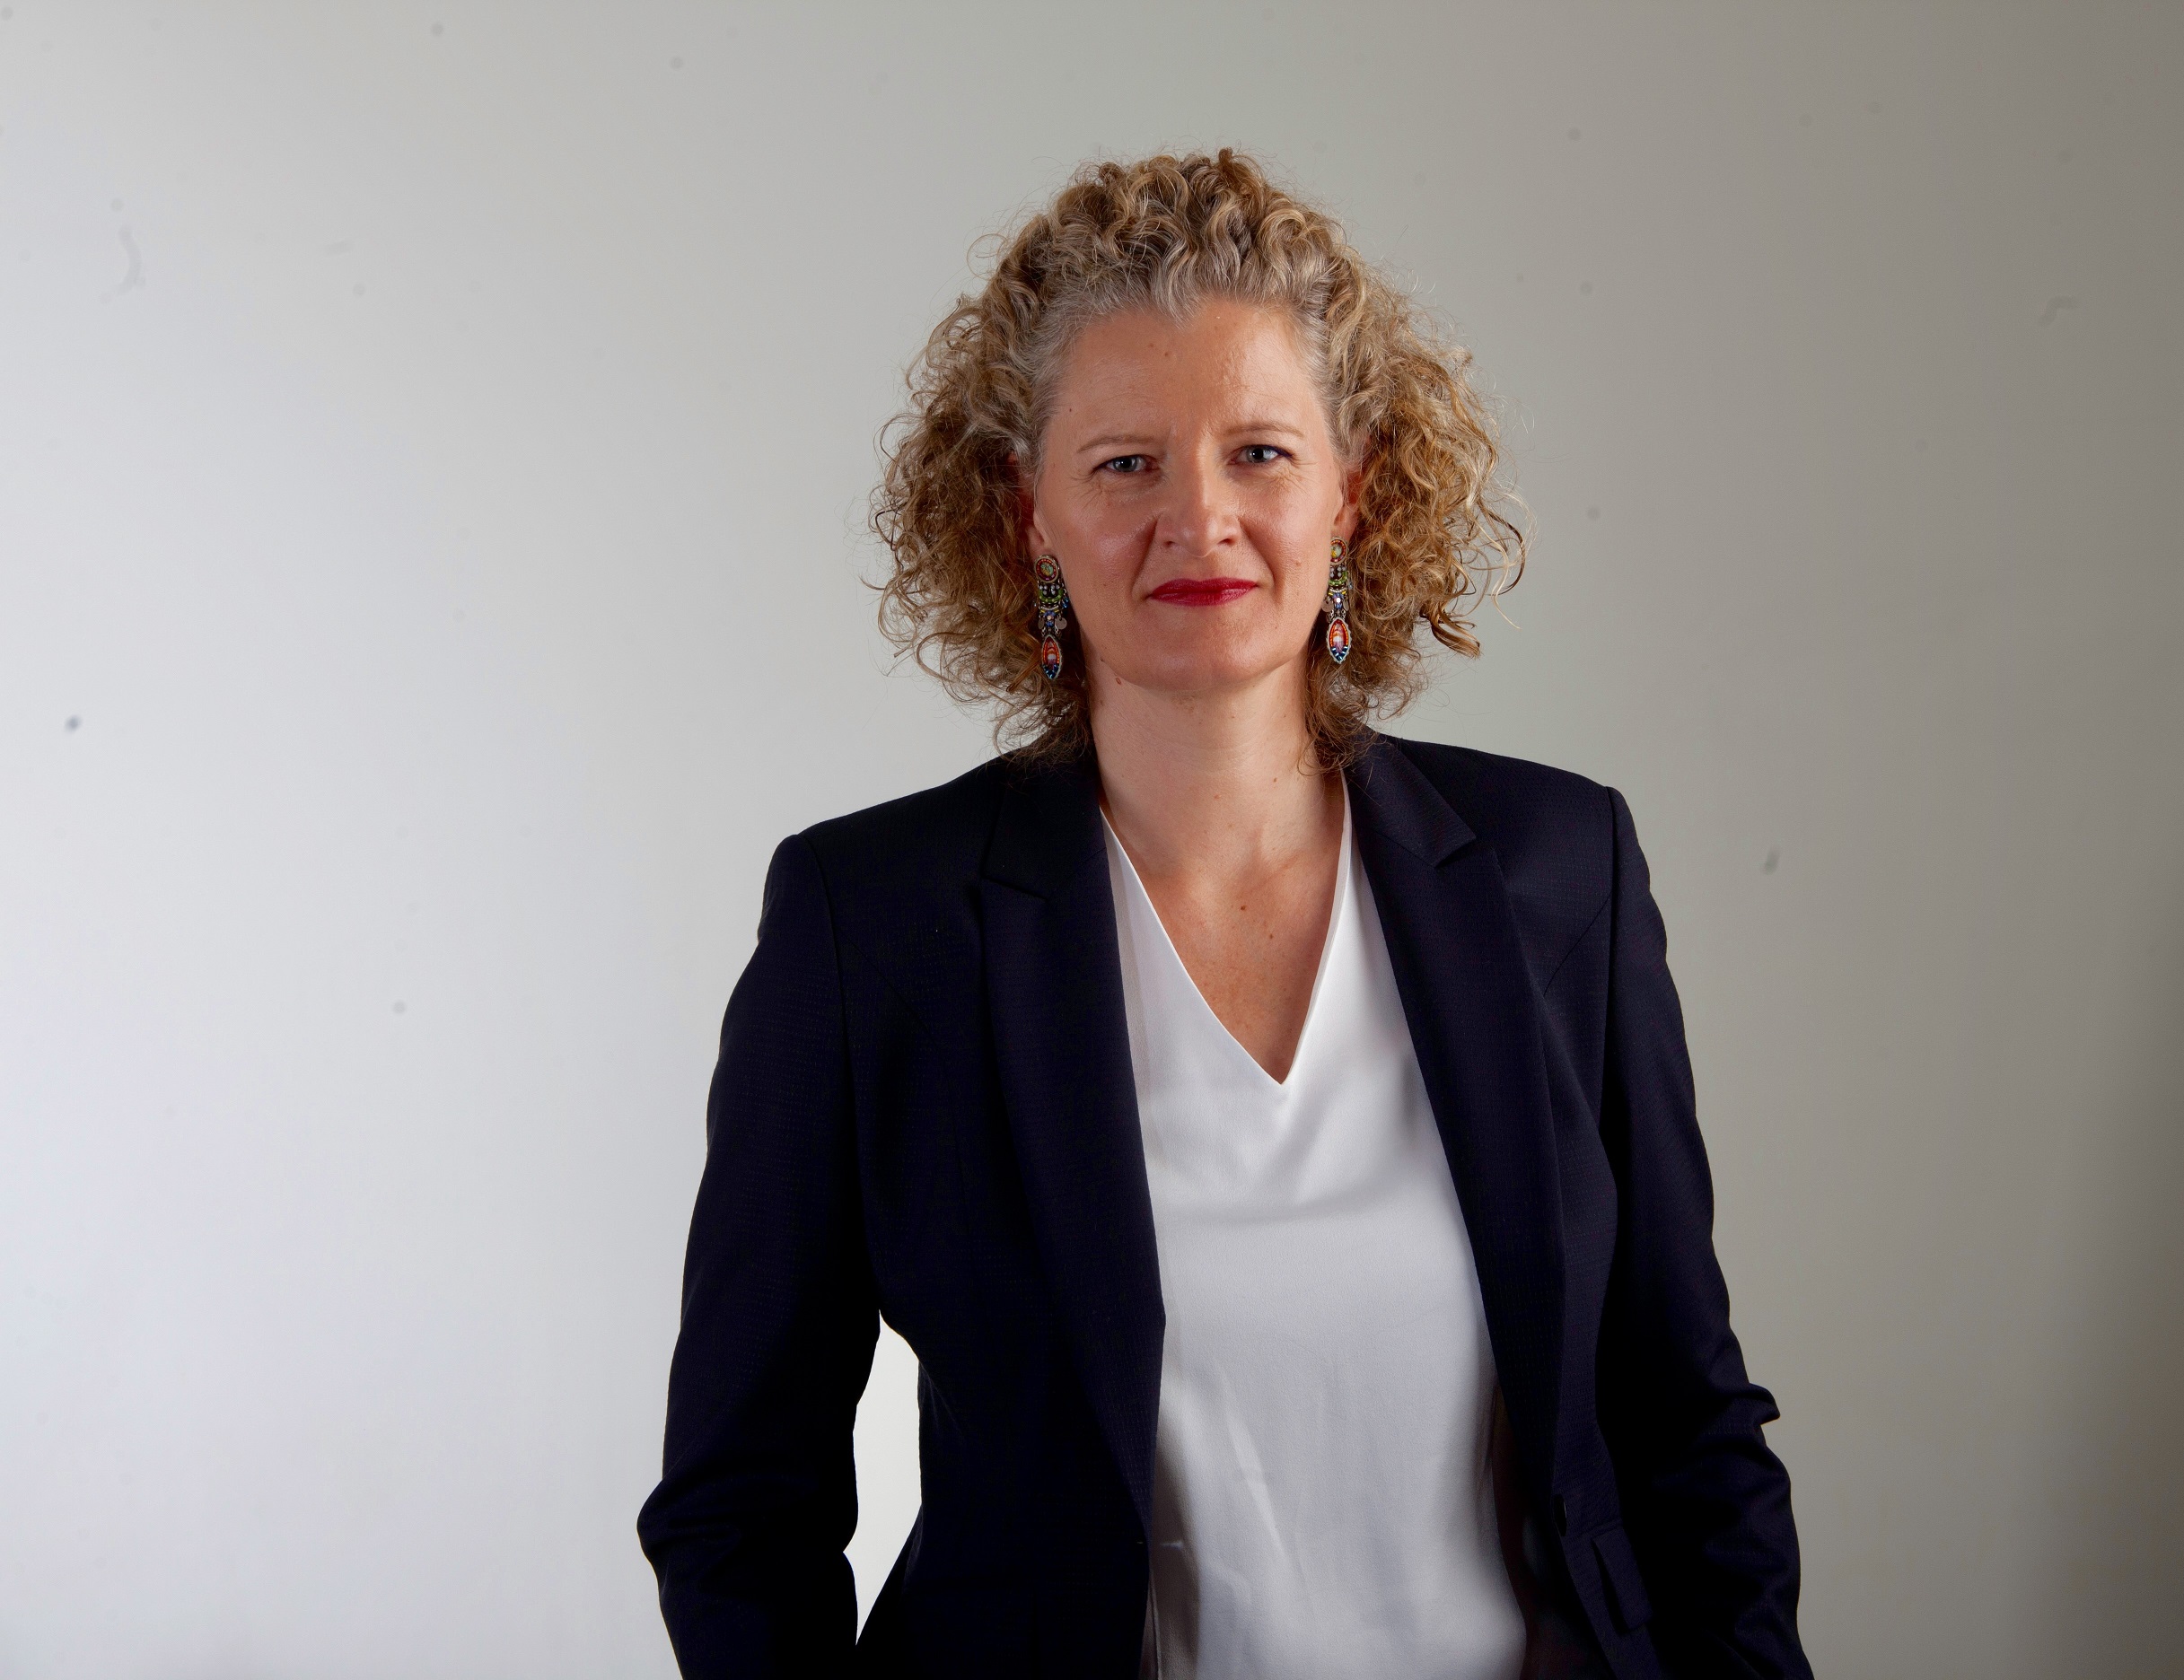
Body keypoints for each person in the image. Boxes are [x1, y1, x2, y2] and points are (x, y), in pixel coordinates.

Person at [636, 149, 1811, 1680]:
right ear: (1028, 519)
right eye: (1125, 464)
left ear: (1353, 492)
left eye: (1259, 452)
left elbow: (1686, 1421)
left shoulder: (1557, 870)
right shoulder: (875, 925)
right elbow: (741, 1503)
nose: (1199, 517)